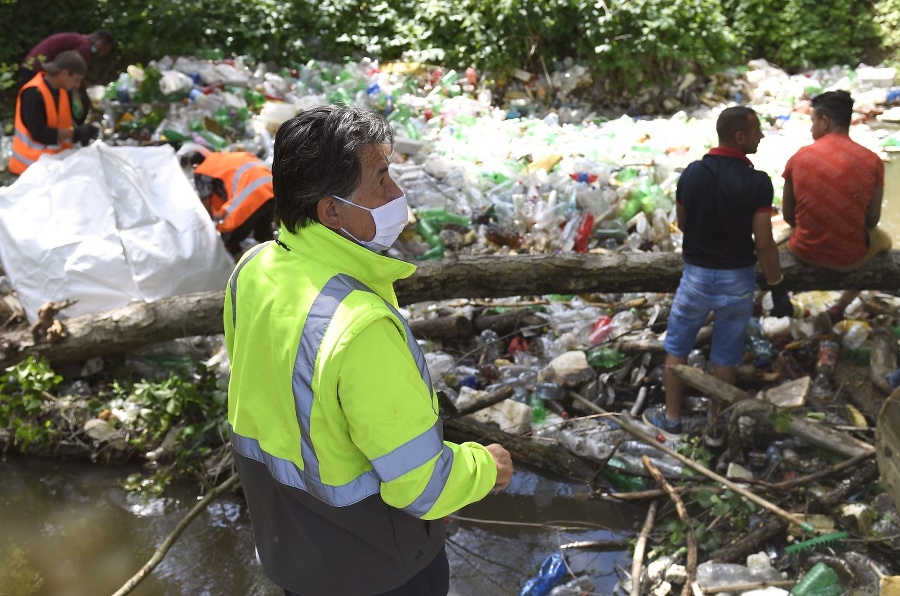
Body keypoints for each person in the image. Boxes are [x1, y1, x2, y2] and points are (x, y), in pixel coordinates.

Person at [224, 104, 513, 596]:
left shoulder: (254, 269)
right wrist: (488, 467)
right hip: (378, 571)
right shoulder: (360, 327)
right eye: (381, 180)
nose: (397, 195)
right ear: (330, 209)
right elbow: (422, 486)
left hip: (293, 553)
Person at [643, 106, 792, 447]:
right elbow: (765, 243)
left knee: (677, 350)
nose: (762, 136)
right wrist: (777, 286)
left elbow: (681, 221)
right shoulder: (757, 182)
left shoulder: (692, 174)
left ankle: (673, 419)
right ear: (739, 137)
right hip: (737, 282)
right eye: (757, 131)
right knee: (725, 357)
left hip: (695, 277)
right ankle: (716, 427)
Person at [781, 90, 892, 323]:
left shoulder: (799, 157)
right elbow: (871, 221)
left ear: (824, 121)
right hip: (852, 258)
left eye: (812, 122)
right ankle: (840, 307)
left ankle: (783, 300)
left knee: (782, 235)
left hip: (806, 252)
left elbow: (790, 218)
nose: (811, 130)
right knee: (885, 240)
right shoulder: (872, 160)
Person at [8, 51, 100, 176]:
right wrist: (74, 134)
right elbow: (39, 133)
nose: (77, 85)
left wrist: (80, 134)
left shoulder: (62, 91)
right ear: (64, 73)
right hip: (29, 170)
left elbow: (63, 122)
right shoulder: (33, 93)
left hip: (53, 164)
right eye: (76, 80)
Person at [186, 148, 277, 255]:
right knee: (263, 234)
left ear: (195, 165)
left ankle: (239, 265)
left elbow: (206, 204)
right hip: (273, 192)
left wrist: (210, 226)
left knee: (228, 238)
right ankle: (277, 259)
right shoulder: (232, 156)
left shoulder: (202, 170)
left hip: (251, 198)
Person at [19, 30, 114, 86]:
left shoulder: (80, 40)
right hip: (38, 68)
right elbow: (75, 73)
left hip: (30, 63)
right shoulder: (84, 47)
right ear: (100, 43)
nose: (102, 55)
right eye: (104, 50)